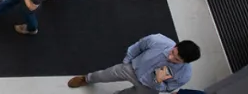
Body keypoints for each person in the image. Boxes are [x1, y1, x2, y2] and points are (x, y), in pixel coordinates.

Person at [68, 34, 201, 92]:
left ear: (185, 62)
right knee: (103, 75)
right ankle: (86, 79)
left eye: (177, 60)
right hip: (132, 68)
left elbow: (169, 88)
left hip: (149, 88)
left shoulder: (184, 75)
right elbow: (138, 46)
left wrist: (158, 83)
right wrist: (127, 61)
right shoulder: (158, 40)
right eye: (173, 52)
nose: (171, 58)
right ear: (175, 45)